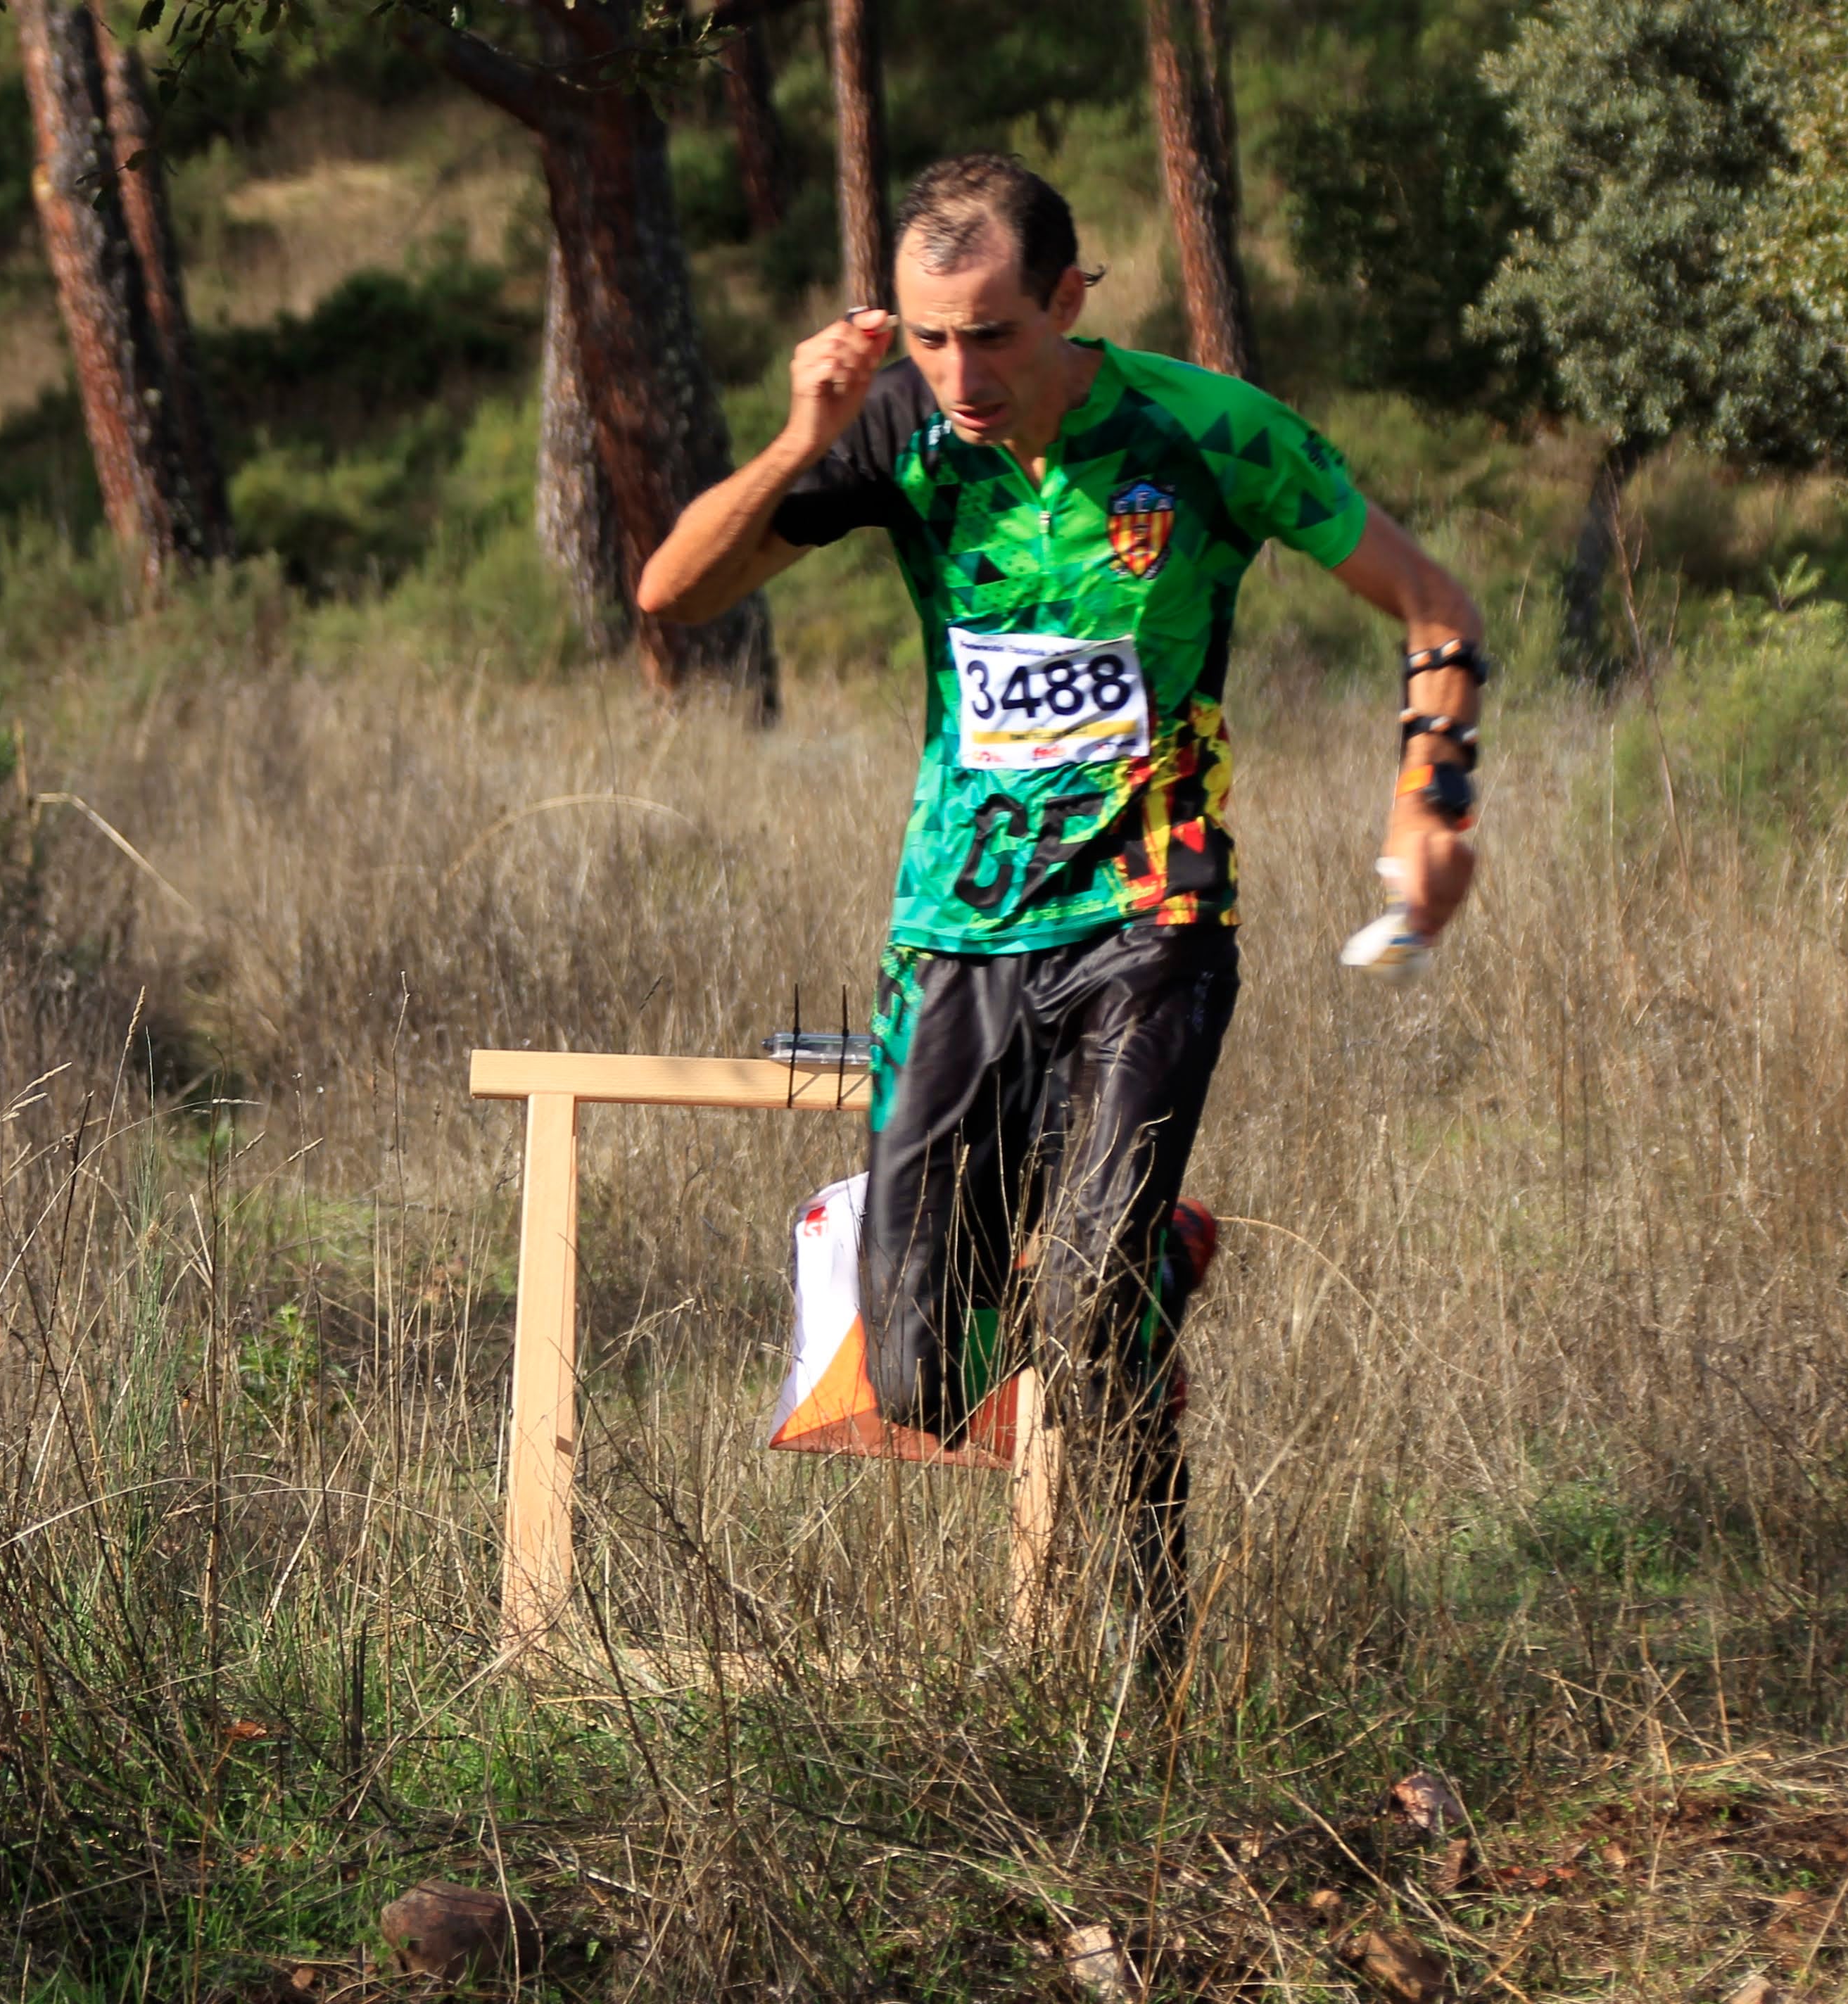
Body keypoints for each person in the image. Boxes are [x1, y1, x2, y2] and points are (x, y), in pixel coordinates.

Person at [636, 154, 1486, 1657]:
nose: (961, 371)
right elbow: (673, 594)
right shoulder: (897, 428)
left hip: (1152, 916)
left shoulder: (1208, 433)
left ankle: (1149, 1635)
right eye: (928, 335)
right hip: (954, 931)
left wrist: (1435, 794)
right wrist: (801, 436)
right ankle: (1159, 1253)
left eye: (994, 332)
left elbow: (1432, 602)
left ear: (1071, 299)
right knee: (911, 1383)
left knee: (1088, 1309)